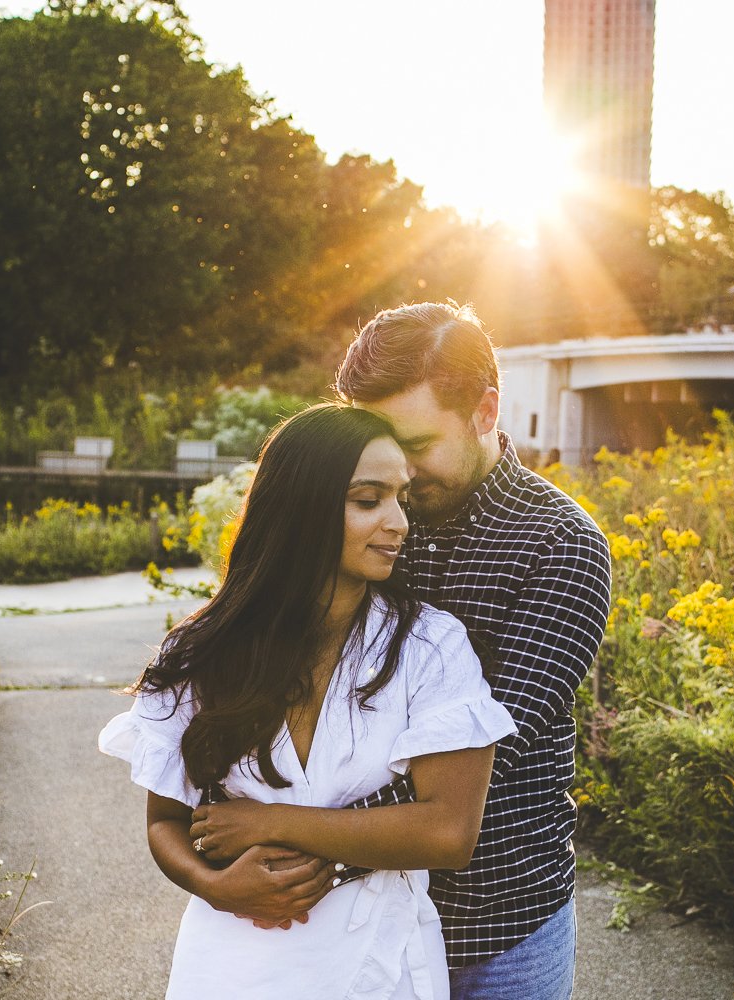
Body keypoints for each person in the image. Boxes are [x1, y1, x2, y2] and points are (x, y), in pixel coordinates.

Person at [212, 302, 612, 1000]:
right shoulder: (356, 514)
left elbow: (490, 747)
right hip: (342, 922)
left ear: (486, 412)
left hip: (495, 922)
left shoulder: (562, 546)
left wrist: (289, 834)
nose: (394, 469)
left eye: (416, 444)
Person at [99, 403, 515, 1000]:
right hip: (232, 956)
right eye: (368, 500)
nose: (398, 521)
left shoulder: (431, 646)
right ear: (300, 505)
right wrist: (214, 885)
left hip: (375, 961)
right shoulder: (205, 648)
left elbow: (448, 832)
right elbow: (167, 821)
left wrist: (269, 821)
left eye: (402, 497)